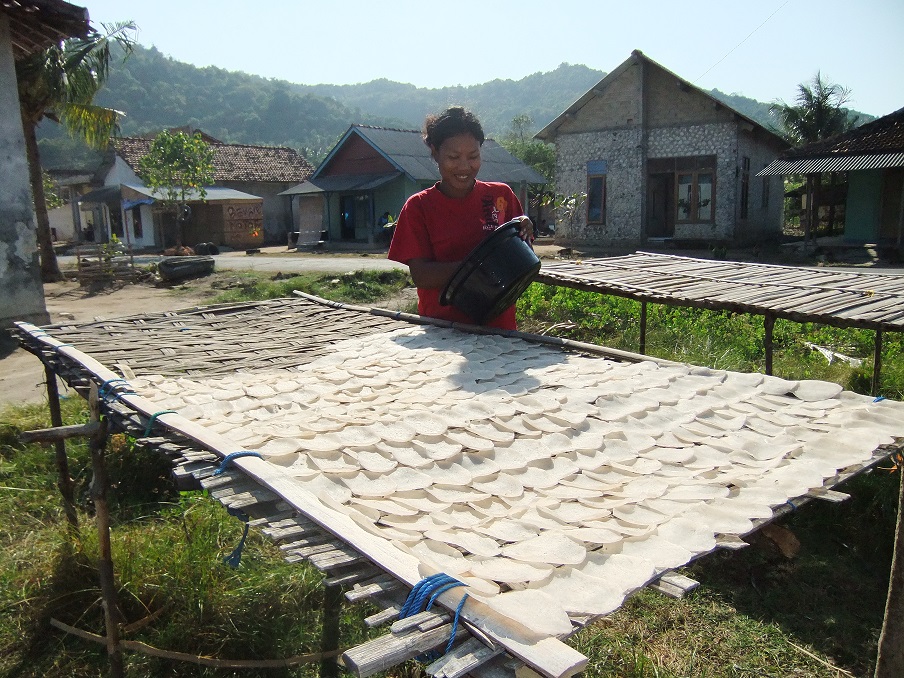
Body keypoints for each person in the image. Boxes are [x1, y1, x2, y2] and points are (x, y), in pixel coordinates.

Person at [388, 106, 533, 330]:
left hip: (499, 330)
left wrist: (524, 231)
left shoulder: (501, 196)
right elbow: (422, 276)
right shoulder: (418, 207)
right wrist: (482, 267)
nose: (464, 166)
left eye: (473, 156)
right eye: (453, 157)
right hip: (442, 332)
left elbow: (523, 260)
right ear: (435, 152)